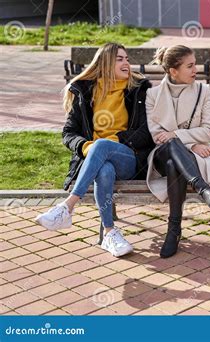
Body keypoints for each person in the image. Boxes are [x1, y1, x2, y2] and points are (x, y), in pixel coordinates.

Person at [35, 43, 155, 257]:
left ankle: (68, 206)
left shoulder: (139, 90)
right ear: (105, 62)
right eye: (119, 59)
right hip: (97, 161)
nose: (126, 63)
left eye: (127, 58)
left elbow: (147, 132)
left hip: (130, 158)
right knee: (104, 170)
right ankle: (110, 233)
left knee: (103, 148)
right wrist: (86, 147)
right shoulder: (85, 91)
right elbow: (69, 134)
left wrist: (114, 140)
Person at [145, 45, 210, 258]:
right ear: (173, 71)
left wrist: (175, 135)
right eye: (189, 66)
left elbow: (209, 130)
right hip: (164, 156)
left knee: (175, 162)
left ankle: (174, 230)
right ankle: (203, 189)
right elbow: (158, 137)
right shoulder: (152, 95)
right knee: (170, 148)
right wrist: (190, 143)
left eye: (195, 64)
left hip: (195, 160)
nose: (195, 70)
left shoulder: (203, 91)